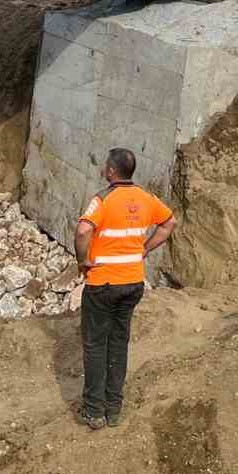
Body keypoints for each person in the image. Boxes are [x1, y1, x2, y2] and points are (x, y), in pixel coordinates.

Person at [73, 148, 176, 429]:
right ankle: (114, 408)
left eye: (105, 165)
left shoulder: (103, 200)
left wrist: (83, 260)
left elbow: (83, 231)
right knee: (118, 342)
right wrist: (144, 250)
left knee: (95, 345)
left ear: (111, 171)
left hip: (103, 283)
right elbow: (169, 223)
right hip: (132, 283)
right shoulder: (146, 198)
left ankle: (94, 411)